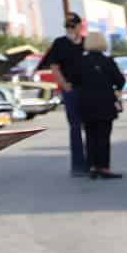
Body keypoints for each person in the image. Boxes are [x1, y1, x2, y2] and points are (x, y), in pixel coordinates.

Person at [37, 12, 89, 176]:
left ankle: (92, 163)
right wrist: (64, 85)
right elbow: (54, 66)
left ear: (80, 26)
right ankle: (78, 166)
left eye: (73, 26)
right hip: (71, 90)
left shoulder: (87, 43)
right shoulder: (60, 43)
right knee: (75, 127)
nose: (70, 29)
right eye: (67, 27)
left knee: (90, 127)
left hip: (88, 91)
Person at [74, 31, 127, 180]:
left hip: (86, 105)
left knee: (90, 136)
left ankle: (92, 167)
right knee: (103, 137)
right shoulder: (108, 61)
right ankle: (104, 167)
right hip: (105, 104)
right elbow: (120, 81)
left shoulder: (81, 62)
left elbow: (74, 81)